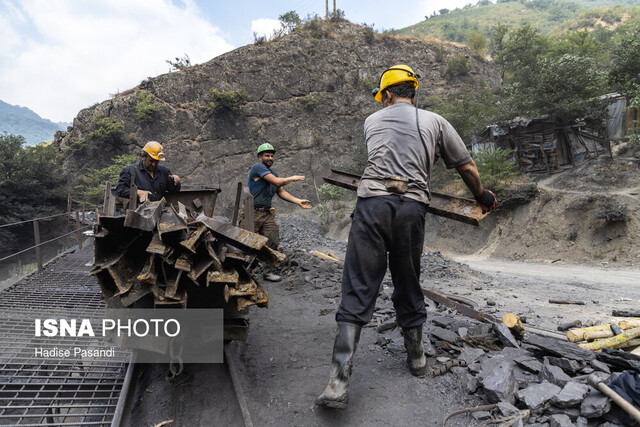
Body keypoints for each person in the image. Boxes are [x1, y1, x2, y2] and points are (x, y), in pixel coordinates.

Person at [316, 65, 497, 409]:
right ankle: (417, 360)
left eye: (382, 96)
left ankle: (338, 384)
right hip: (412, 208)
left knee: (358, 285)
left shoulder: (372, 120)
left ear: (386, 95)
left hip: (372, 206)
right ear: (414, 92)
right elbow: (467, 167)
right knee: (408, 278)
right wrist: (482, 196)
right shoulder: (436, 122)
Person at [241, 143, 312, 255]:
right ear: (260, 157)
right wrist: (293, 178)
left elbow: (281, 191)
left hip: (266, 213)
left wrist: (297, 201)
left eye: (271, 156)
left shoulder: (274, 173)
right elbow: (277, 181)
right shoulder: (257, 167)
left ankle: (265, 266)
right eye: (267, 156)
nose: (270, 158)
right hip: (251, 212)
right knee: (245, 243)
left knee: (272, 240)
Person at [115, 141, 181, 204]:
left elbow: (173, 190)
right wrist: (137, 192)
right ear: (143, 157)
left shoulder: (164, 171)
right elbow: (120, 190)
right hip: (137, 210)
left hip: (159, 209)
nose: (154, 164)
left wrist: (176, 182)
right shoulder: (130, 171)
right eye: (151, 161)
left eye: (156, 161)